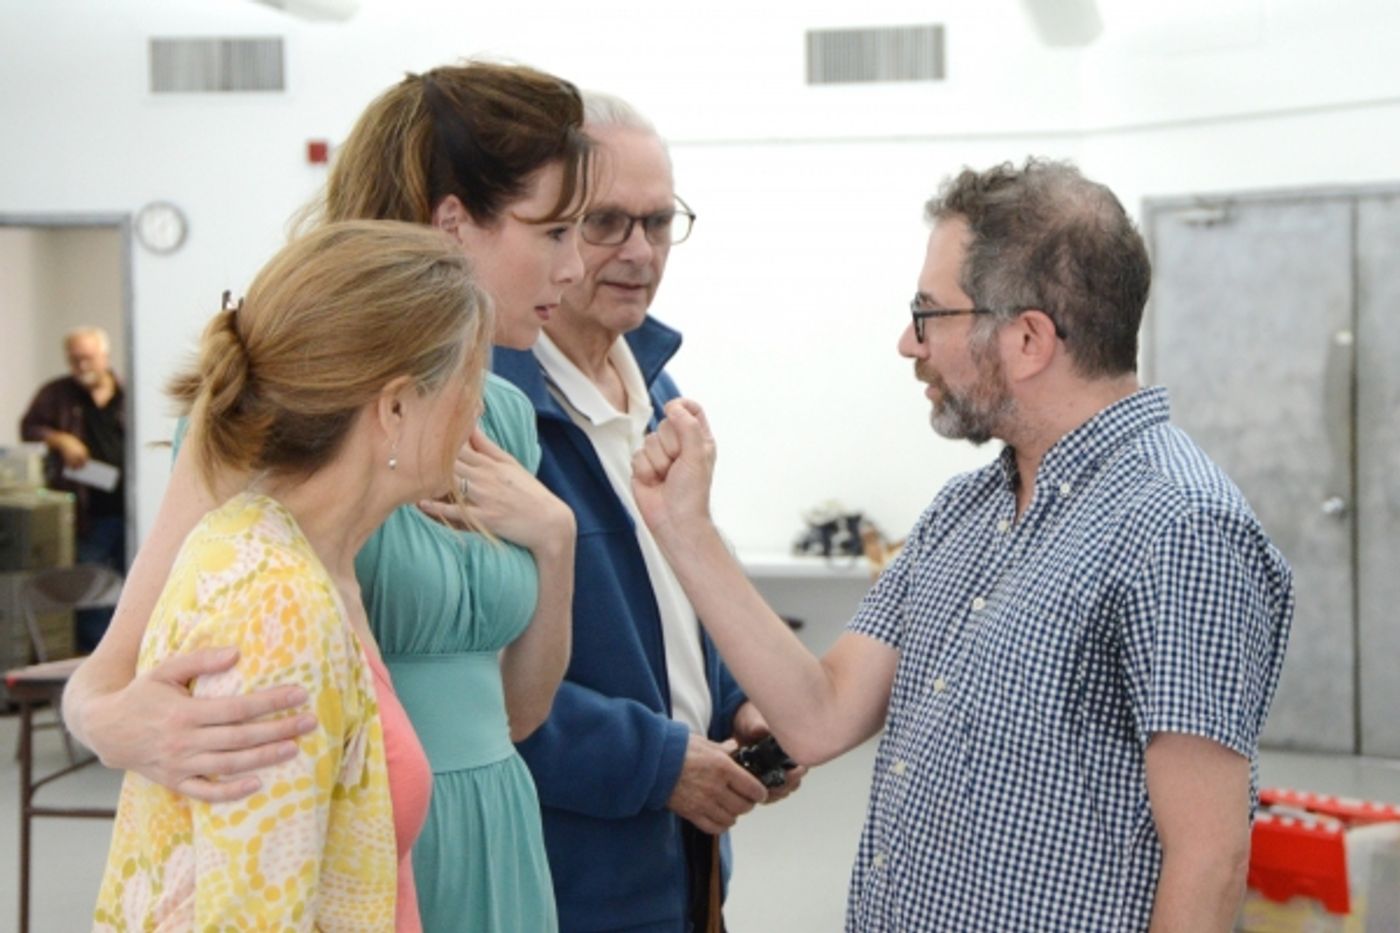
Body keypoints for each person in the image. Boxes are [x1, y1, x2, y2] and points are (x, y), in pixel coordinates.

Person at [629, 159, 1295, 931]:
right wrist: (685, 528)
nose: (908, 343)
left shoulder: (1180, 528)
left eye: (929, 313)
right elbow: (819, 713)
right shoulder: (964, 510)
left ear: (1027, 337)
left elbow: (1208, 862)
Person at [67, 62, 589, 933]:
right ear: (455, 223)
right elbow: (108, 677)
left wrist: (558, 539)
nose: (574, 268)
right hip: (348, 833)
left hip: (494, 822)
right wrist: (124, 730)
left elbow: (517, 711)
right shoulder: (292, 417)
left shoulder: (499, 410)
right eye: (556, 231)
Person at [94, 219, 490, 930]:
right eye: (470, 379)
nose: (478, 409)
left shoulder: (307, 563)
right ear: (396, 407)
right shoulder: (277, 604)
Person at [494, 92, 800, 933]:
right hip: (568, 883)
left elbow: (676, 596)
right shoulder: (495, 412)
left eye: (659, 222)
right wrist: (658, 762)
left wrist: (746, 699)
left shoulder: (656, 388)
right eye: (605, 224)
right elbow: (473, 674)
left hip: (683, 869)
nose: (640, 251)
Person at [20, 325, 127, 651]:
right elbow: (29, 427)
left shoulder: (126, 393)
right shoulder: (56, 393)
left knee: (130, 586)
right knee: (90, 589)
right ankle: (97, 655)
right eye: (75, 359)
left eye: (88, 358)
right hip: (85, 512)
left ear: (104, 357)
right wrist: (60, 439)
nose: (82, 366)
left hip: (128, 506)